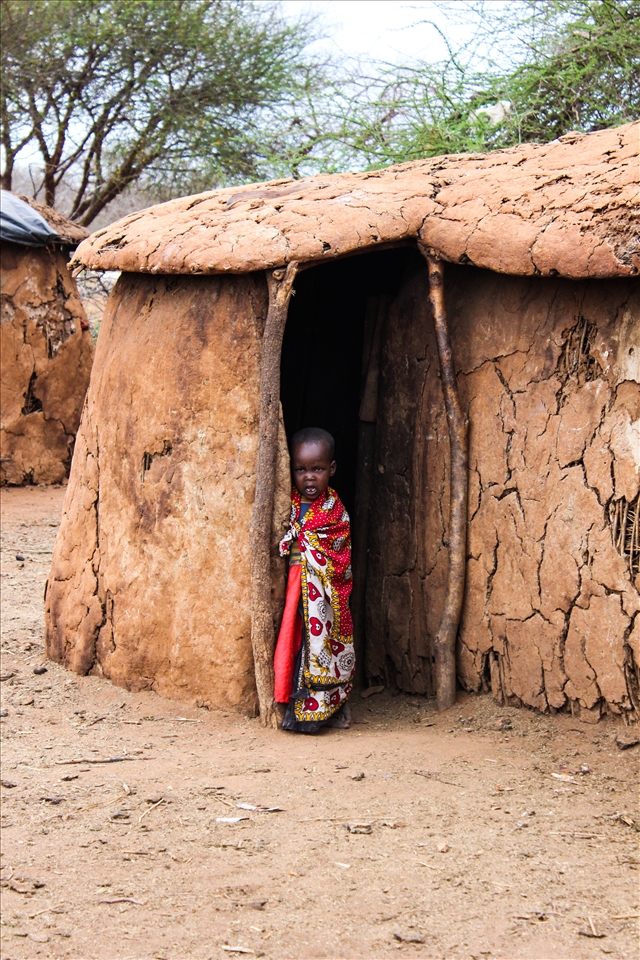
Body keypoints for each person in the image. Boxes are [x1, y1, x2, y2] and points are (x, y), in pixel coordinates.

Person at [274, 427, 355, 733]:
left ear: (331, 469)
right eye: (301, 470)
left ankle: (323, 711)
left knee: (321, 648)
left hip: (323, 600)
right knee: (294, 646)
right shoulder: (288, 504)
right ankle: (293, 706)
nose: (309, 477)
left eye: (318, 469)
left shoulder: (335, 512)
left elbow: (340, 560)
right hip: (294, 590)